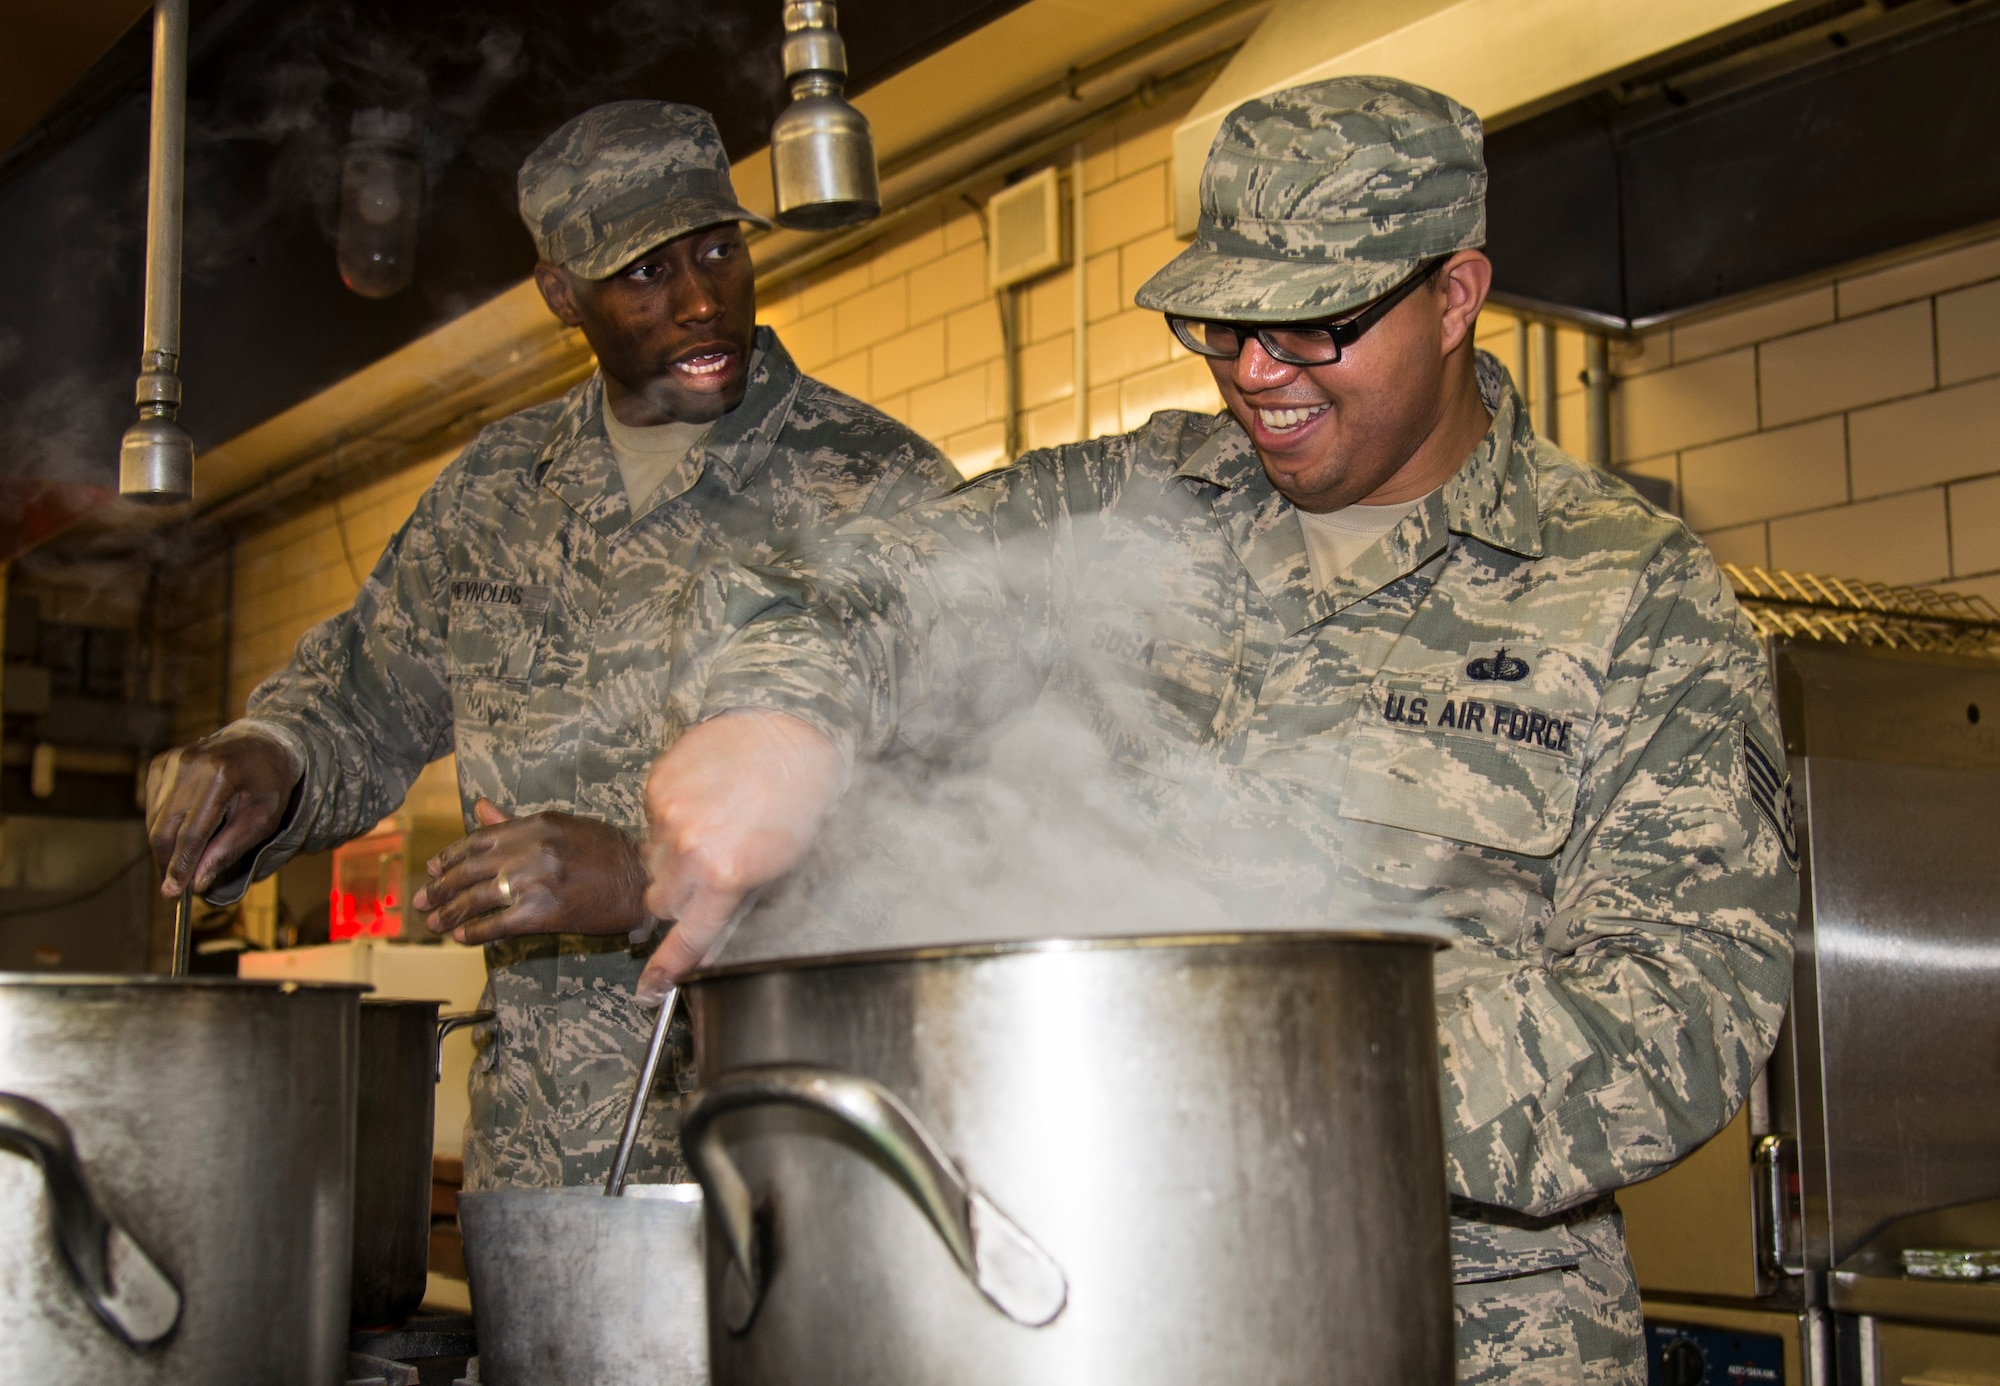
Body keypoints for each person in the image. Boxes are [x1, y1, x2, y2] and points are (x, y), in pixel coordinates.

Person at [635, 78, 1797, 1380]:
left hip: (1469, 1328)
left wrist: (1264, 1072)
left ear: (1457, 294)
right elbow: (853, 581)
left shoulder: (1632, 594)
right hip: (1116, 1314)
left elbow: (1687, 1001)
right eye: (1226, 322)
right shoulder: (1139, 499)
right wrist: (779, 715)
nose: (1256, 372)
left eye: (1317, 325)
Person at [143, 100, 957, 1190]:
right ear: (560, 295)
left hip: (806, 1156)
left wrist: (644, 873)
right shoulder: (496, 496)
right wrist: (272, 758)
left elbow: (968, 811)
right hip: (546, 1168)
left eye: (719, 250)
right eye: (644, 274)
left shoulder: (879, 487)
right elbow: (356, 702)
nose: (703, 300)